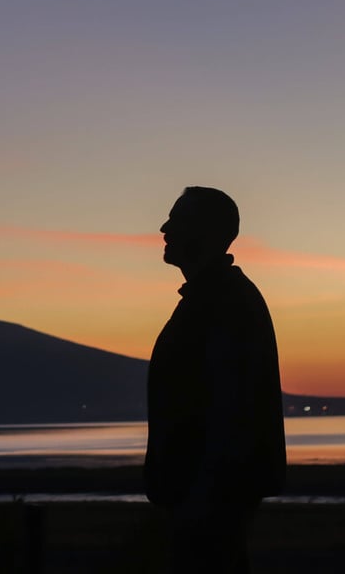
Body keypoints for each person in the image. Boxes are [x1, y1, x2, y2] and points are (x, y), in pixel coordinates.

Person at [144, 186, 287, 574]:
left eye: (176, 219)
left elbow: (230, 404)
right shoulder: (211, 299)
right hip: (203, 491)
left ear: (204, 231)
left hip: (210, 494)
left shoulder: (226, 302)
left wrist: (203, 493)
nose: (164, 228)